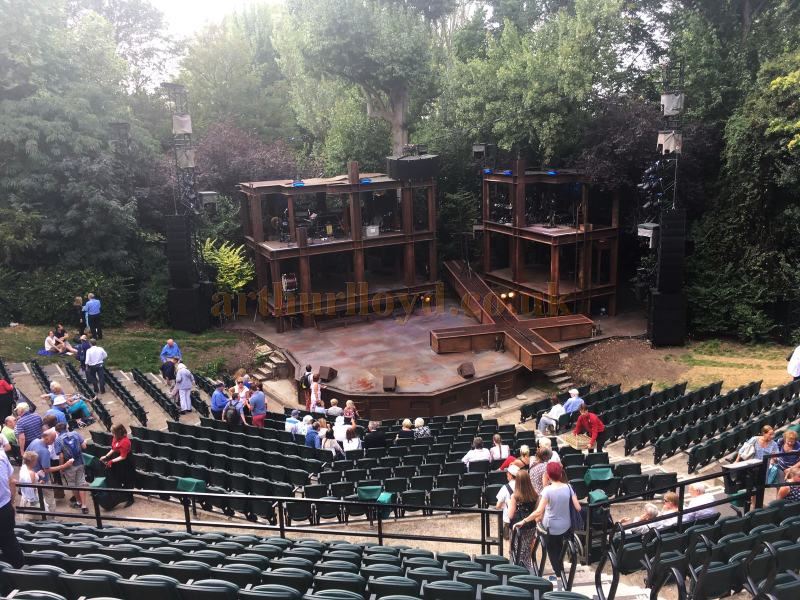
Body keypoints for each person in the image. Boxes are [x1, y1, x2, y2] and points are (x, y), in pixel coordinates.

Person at [520, 462, 582, 579]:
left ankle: (559, 575)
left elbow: (538, 512)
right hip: (566, 525)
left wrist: (524, 521)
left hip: (551, 527)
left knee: (552, 551)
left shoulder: (547, 490)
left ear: (548, 475)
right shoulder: (569, 487)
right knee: (558, 547)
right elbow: (578, 507)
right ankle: (561, 572)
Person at [28, 428, 74, 513]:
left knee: (37, 499)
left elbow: (26, 456)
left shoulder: (34, 441)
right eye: (53, 439)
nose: (53, 442)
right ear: (47, 438)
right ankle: (51, 519)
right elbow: (47, 469)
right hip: (42, 480)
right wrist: (64, 465)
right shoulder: (44, 451)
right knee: (50, 500)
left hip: (31, 476)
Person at [508, 469, 539, 570]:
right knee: (526, 550)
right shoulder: (535, 495)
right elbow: (535, 511)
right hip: (531, 526)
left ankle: (516, 571)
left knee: (515, 549)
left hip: (517, 527)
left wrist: (509, 504)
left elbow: (510, 515)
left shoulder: (514, 496)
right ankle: (526, 569)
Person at [56, 425, 89, 514]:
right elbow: (84, 446)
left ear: (57, 432)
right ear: (66, 428)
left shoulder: (58, 440)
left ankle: (79, 502)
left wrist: (62, 467)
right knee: (81, 483)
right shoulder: (75, 433)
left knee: (72, 484)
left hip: (69, 465)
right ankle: (84, 506)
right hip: (80, 462)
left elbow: (61, 455)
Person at [0, 447, 25, 567]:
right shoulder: (1, 456)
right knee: (9, 542)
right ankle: (18, 574)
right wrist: (11, 502)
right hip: (4, 508)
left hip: (4, 506)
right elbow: (12, 482)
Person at [100, 424, 135, 506]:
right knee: (119, 478)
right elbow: (113, 449)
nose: (112, 434)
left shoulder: (125, 442)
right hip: (117, 459)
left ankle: (130, 499)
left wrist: (111, 461)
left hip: (127, 462)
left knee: (128, 480)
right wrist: (106, 456)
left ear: (117, 433)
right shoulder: (115, 438)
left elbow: (123, 456)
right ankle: (123, 496)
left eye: (113, 432)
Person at [496, 464, 520, 540]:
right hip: (521, 518)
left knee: (509, 541)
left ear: (510, 475)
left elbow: (498, 505)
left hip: (508, 519)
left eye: (508, 473)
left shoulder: (505, 488)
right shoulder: (522, 486)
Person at [18, 450, 44, 520]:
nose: (36, 462)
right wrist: (39, 483)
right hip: (32, 499)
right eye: (35, 460)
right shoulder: (31, 473)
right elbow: (32, 488)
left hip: (24, 496)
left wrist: (37, 474)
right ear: (32, 461)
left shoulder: (23, 468)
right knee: (36, 517)